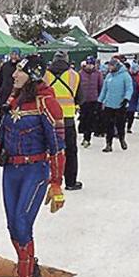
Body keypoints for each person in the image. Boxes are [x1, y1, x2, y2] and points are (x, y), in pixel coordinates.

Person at [0, 55, 65, 277]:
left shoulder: (47, 103)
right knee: (12, 226)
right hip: (11, 171)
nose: (14, 74)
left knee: (21, 223)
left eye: (20, 71)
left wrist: (56, 183)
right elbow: (2, 134)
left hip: (34, 171)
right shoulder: (13, 99)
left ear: (34, 75)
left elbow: (58, 147)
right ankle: (31, 266)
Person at [44, 50, 82, 190]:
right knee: (70, 151)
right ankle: (71, 182)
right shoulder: (74, 75)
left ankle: (47, 178)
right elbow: (80, 97)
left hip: (49, 118)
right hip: (67, 119)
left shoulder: (45, 75)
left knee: (49, 149)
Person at [98, 58, 133, 153]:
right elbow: (104, 90)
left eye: (111, 66)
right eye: (109, 66)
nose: (109, 68)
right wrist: (100, 101)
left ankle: (122, 139)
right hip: (109, 104)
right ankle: (108, 144)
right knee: (108, 125)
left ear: (116, 66)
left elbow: (129, 88)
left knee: (120, 124)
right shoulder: (109, 76)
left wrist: (126, 98)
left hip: (120, 104)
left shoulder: (125, 76)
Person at [78, 56, 103, 147]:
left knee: (90, 119)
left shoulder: (98, 74)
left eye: (91, 64)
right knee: (83, 118)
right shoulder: (80, 74)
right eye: (88, 64)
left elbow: (100, 86)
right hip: (83, 100)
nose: (90, 66)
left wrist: (101, 99)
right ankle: (84, 134)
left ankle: (87, 138)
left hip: (94, 100)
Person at [0, 49, 21, 121]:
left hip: (16, 94)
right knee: (2, 114)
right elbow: (0, 79)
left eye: (16, 54)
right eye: (12, 54)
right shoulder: (5, 65)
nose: (14, 56)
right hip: (4, 93)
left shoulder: (21, 66)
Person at [125, 64, 139, 135]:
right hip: (128, 97)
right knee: (125, 114)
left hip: (134, 97)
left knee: (131, 114)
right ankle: (124, 126)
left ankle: (129, 127)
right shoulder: (127, 76)